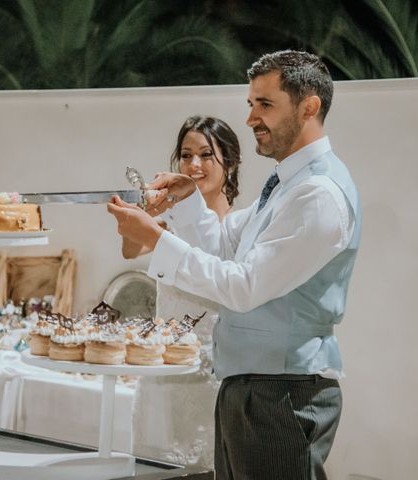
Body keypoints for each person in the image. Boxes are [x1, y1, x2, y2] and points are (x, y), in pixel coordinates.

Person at [107, 50, 361, 479]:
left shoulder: (318, 193)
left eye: (265, 104)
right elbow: (224, 244)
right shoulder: (287, 184)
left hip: (283, 395)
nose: (251, 119)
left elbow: (244, 287)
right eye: (250, 104)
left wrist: (156, 238)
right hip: (253, 389)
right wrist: (185, 202)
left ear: (309, 106)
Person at [124, 115, 241, 469]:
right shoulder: (169, 223)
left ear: (231, 163)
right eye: (186, 155)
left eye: (206, 155)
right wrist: (143, 210)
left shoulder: (236, 228)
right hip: (162, 372)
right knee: (153, 466)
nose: (194, 165)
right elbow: (130, 250)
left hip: (210, 374)